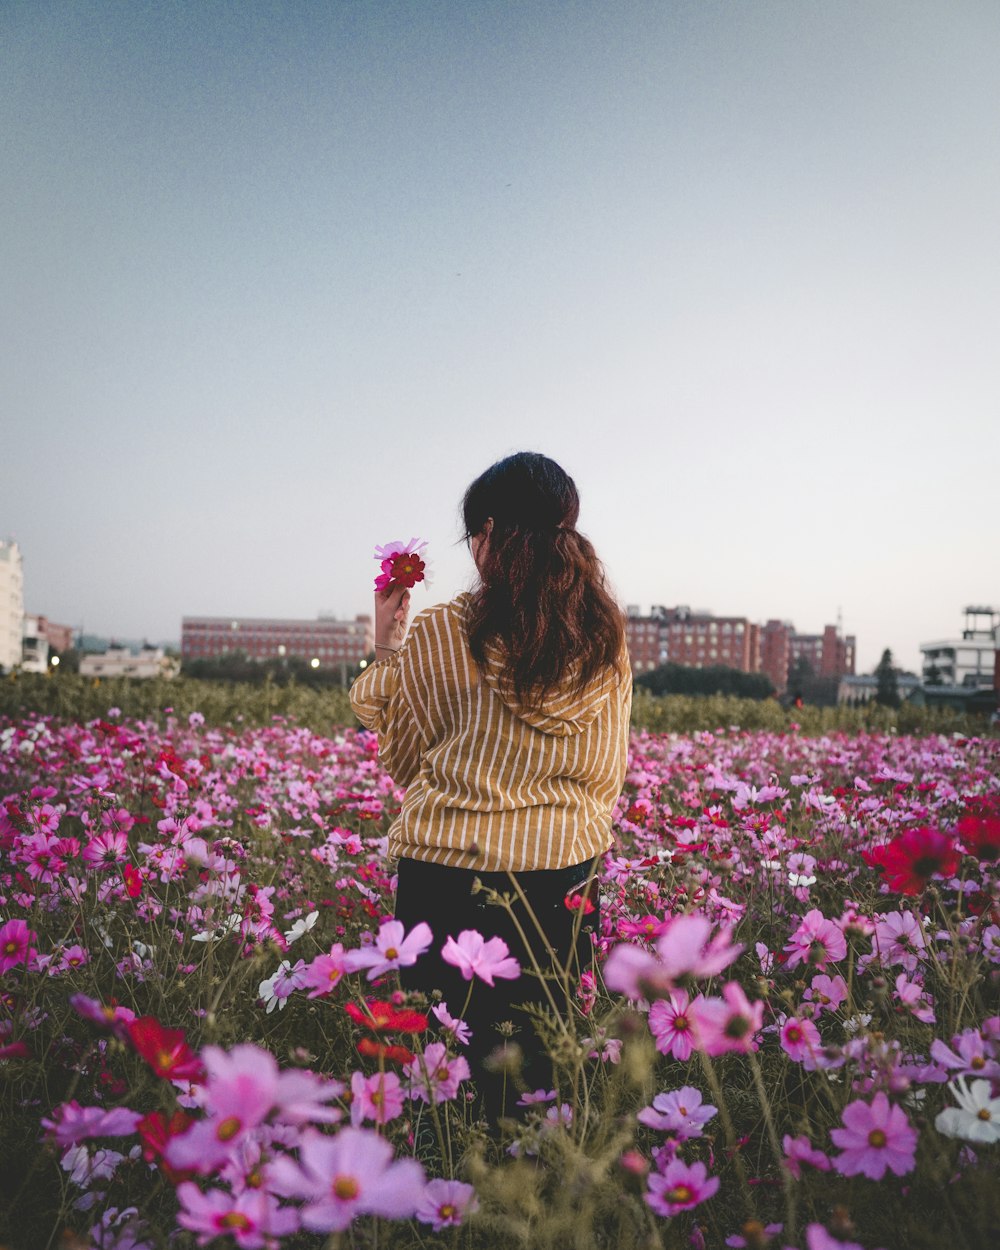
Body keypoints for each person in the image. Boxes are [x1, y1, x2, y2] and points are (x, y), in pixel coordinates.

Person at [349, 452, 632, 1116]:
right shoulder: (603, 636)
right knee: (539, 1062)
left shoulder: (444, 630)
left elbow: (407, 761)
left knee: (443, 1068)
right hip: (561, 871)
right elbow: (605, 773)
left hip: (444, 874)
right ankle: (531, 1201)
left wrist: (388, 644)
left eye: (472, 534)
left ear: (488, 533)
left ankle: (439, 1204)